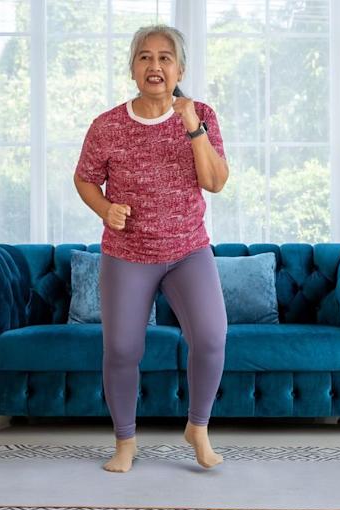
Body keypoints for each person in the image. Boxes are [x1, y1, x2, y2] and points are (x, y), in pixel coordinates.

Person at [74, 24, 230, 473]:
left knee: (212, 336)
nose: (155, 65)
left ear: (180, 68)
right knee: (122, 348)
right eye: (145, 57)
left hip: (188, 251)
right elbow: (84, 177)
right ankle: (125, 441)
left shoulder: (201, 114)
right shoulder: (107, 126)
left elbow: (215, 182)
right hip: (127, 253)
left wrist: (191, 126)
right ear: (132, 68)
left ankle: (197, 427)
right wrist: (105, 208)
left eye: (165, 57)